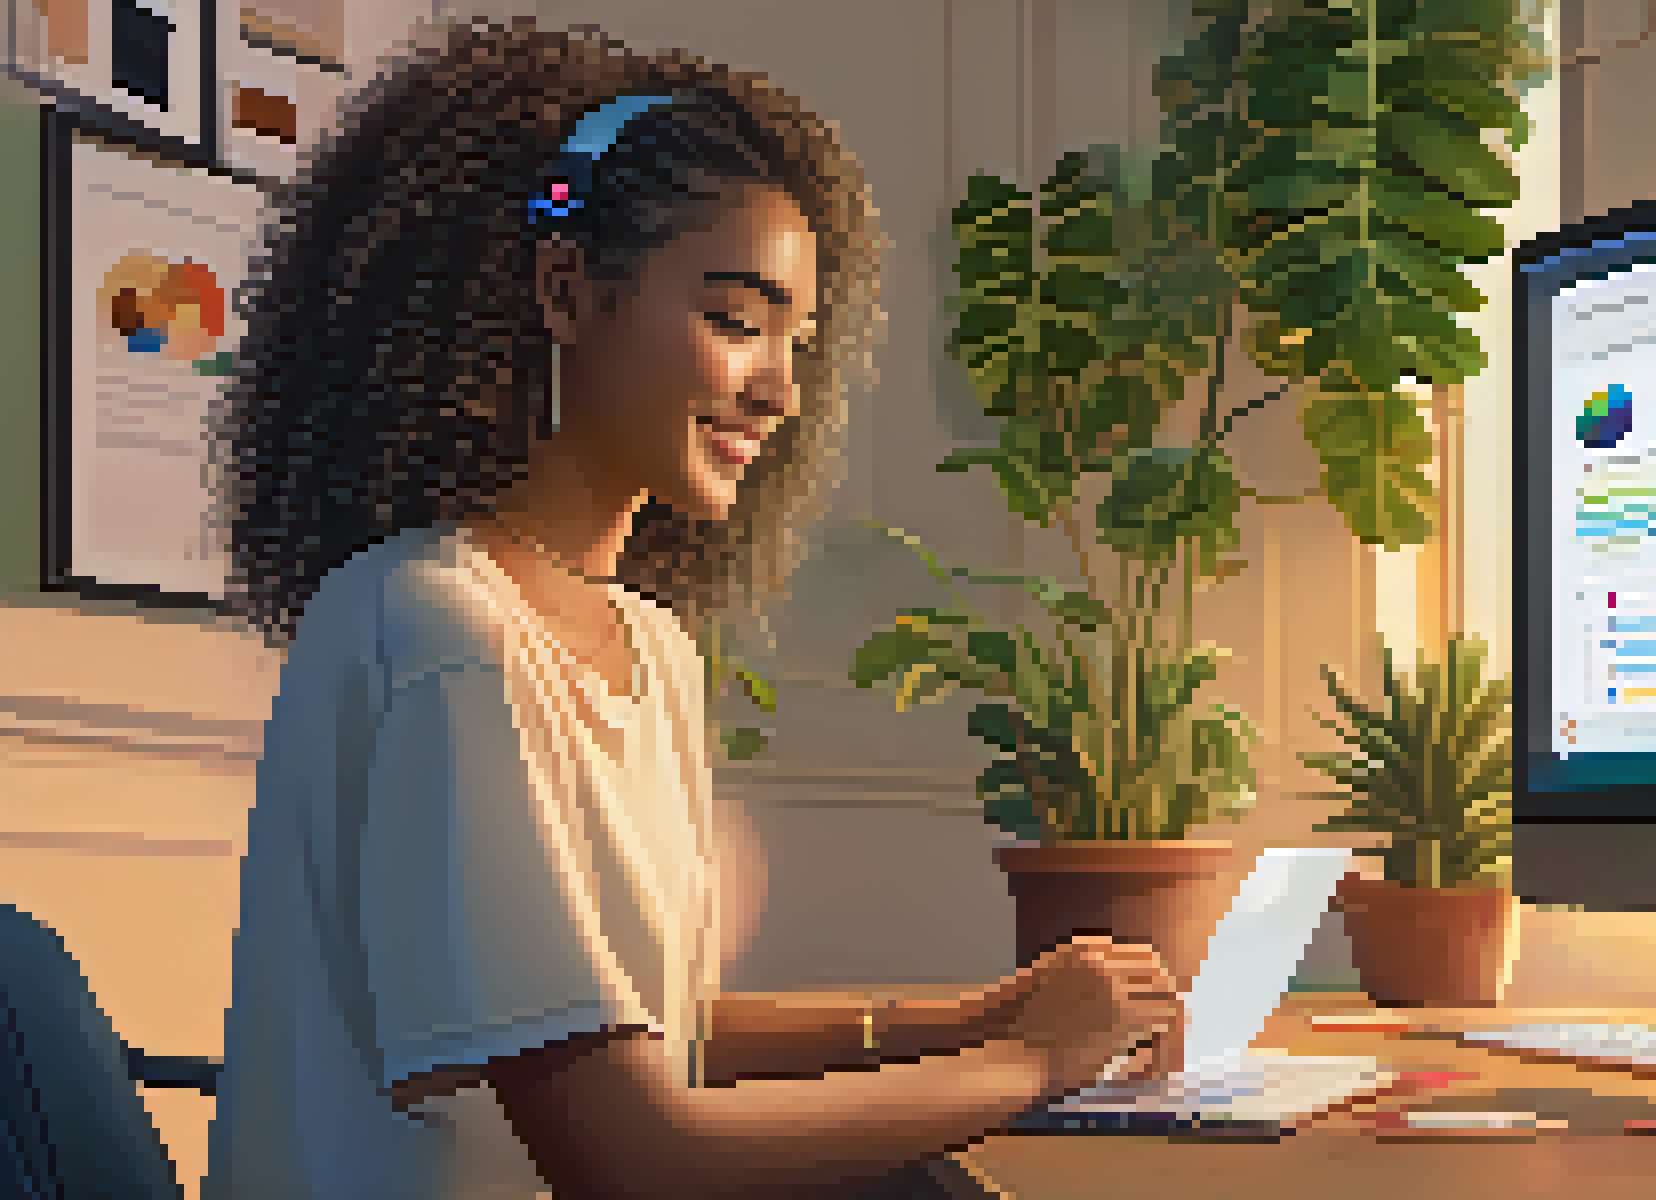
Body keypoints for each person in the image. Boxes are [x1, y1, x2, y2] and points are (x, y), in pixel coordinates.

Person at [202, 19, 1179, 1200]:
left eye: (800, 343)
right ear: (567, 290)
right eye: (735, 318)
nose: (779, 389)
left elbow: (647, 1031)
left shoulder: (647, 646)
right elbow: (626, 1149)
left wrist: (981, 1017)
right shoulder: (435, 633)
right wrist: (1031, 1061)